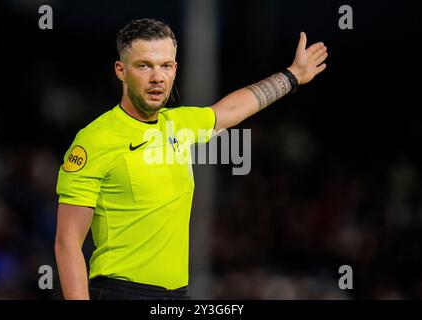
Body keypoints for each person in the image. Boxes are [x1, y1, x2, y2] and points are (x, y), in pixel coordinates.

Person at [54, 18, 328, 300]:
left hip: (177, 296)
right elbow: (67, 242)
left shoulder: (179, 124)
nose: (157, 77)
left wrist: (292, 76)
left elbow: (233, 108)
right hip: (120, 292)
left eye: (166, 65)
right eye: (144, 65)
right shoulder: (96, 139)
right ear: (121, 71)